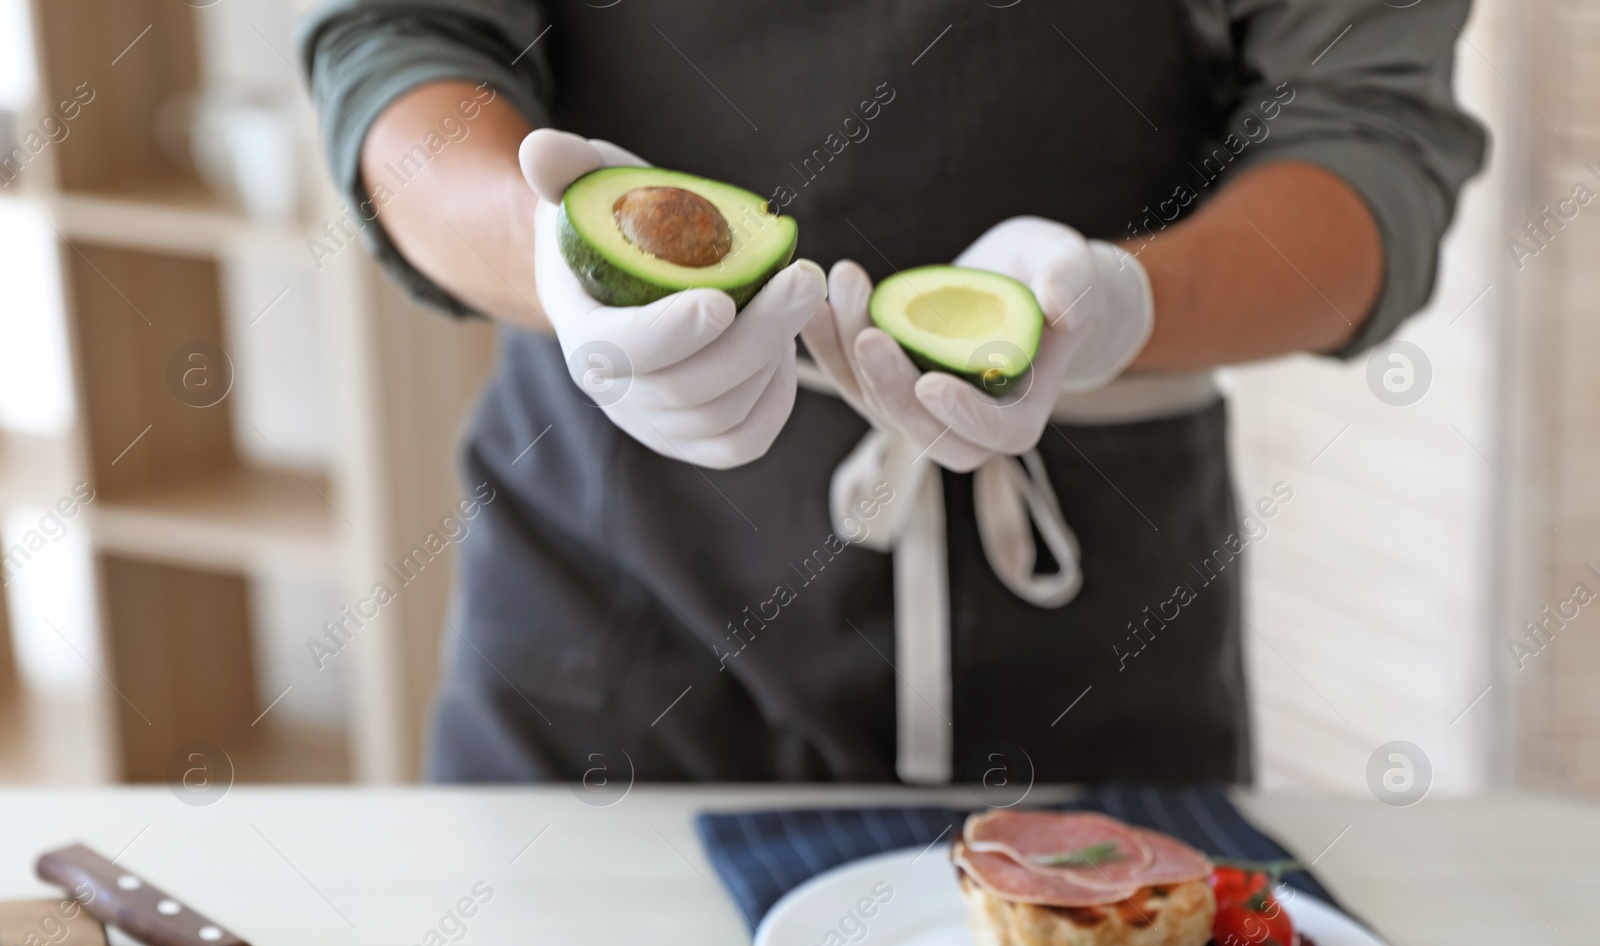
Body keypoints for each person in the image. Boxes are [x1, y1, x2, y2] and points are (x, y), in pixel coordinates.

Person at [298, 0, 1484, 785]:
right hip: (612, 614)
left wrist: (1123, 303)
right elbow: (398, 44)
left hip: (1095, 640)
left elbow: (1366, 131)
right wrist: (556, 257)